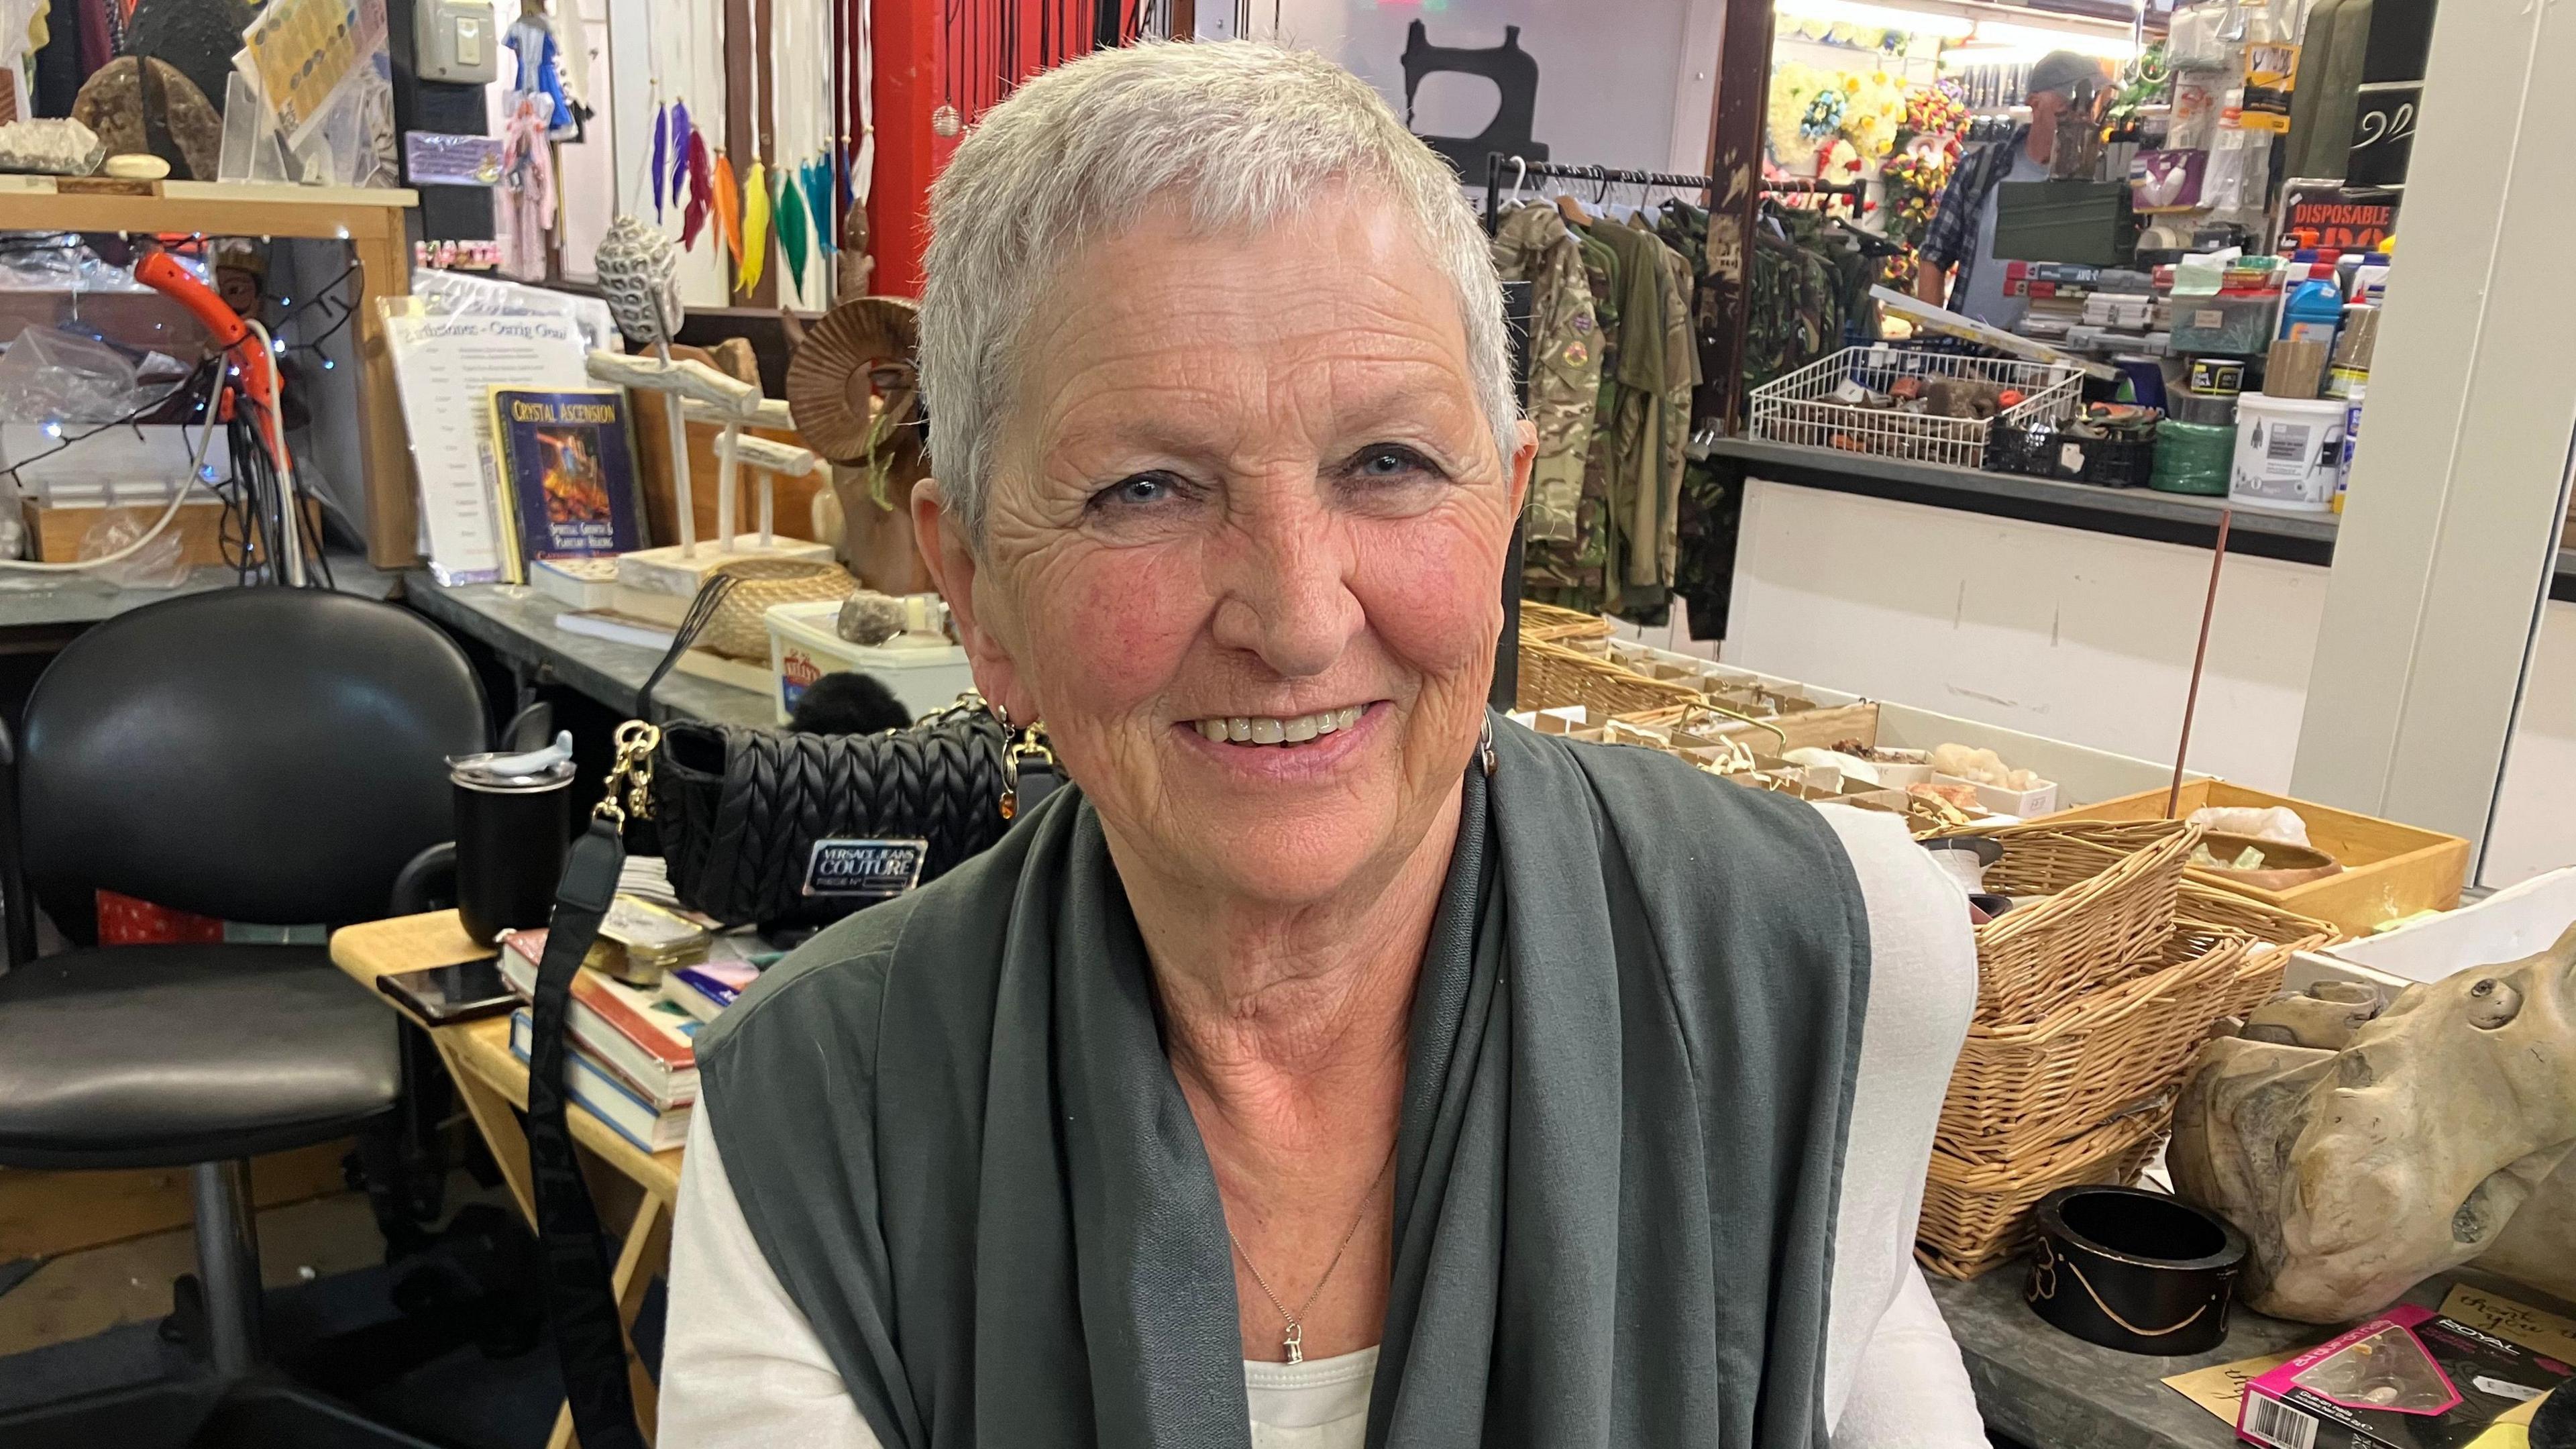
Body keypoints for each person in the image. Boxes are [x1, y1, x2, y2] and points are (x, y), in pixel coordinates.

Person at [660, 40, 1987, 1449]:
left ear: (1506, 514)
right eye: (1146, 488)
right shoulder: (818, 1130)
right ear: (980, 592)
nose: (1296, 619)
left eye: (1388, 465)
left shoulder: (1829, 967)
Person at [1915, 50, 2108, 329]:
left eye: (2089, 103)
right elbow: (1934, 254)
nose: (2082, 114)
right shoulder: (1983, 170)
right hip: (1968, 352)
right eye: (2070, 102)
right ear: (2034, 102)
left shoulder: (2102, 181)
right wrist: (1932, 335)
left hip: (2054, 360)